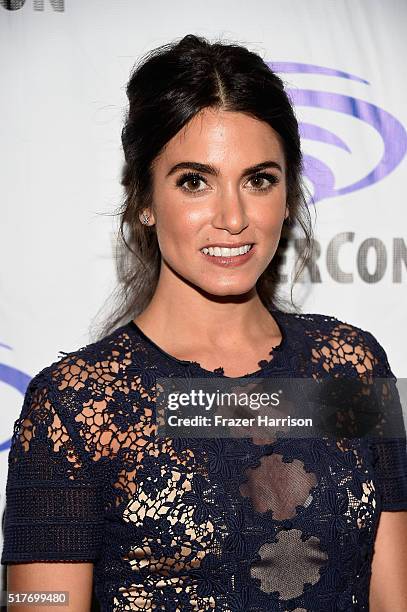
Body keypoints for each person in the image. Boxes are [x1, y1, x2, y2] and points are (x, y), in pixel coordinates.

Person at [2, 33, 407, 612]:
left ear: (288, 194)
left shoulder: (353, 368)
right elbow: (39, 602)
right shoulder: (75, 408)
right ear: (144, 197)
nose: (233, 217)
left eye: (259, 179)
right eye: (195, 181)